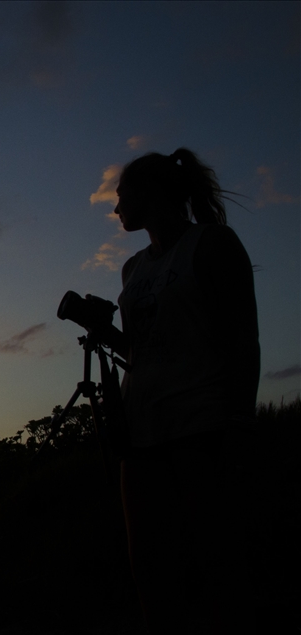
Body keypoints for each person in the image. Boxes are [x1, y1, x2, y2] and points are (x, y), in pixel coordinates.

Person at [110, 148, 259, 634]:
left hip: (202, 425)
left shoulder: (211, 244)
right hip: (142, 433)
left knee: (217, 560)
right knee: (149, 567)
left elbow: (242, 336)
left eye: (121, 196)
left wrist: (240, 421)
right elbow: (141, 348)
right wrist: (101, 330)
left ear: (151, 193)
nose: (115, 208)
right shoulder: (133, 269)